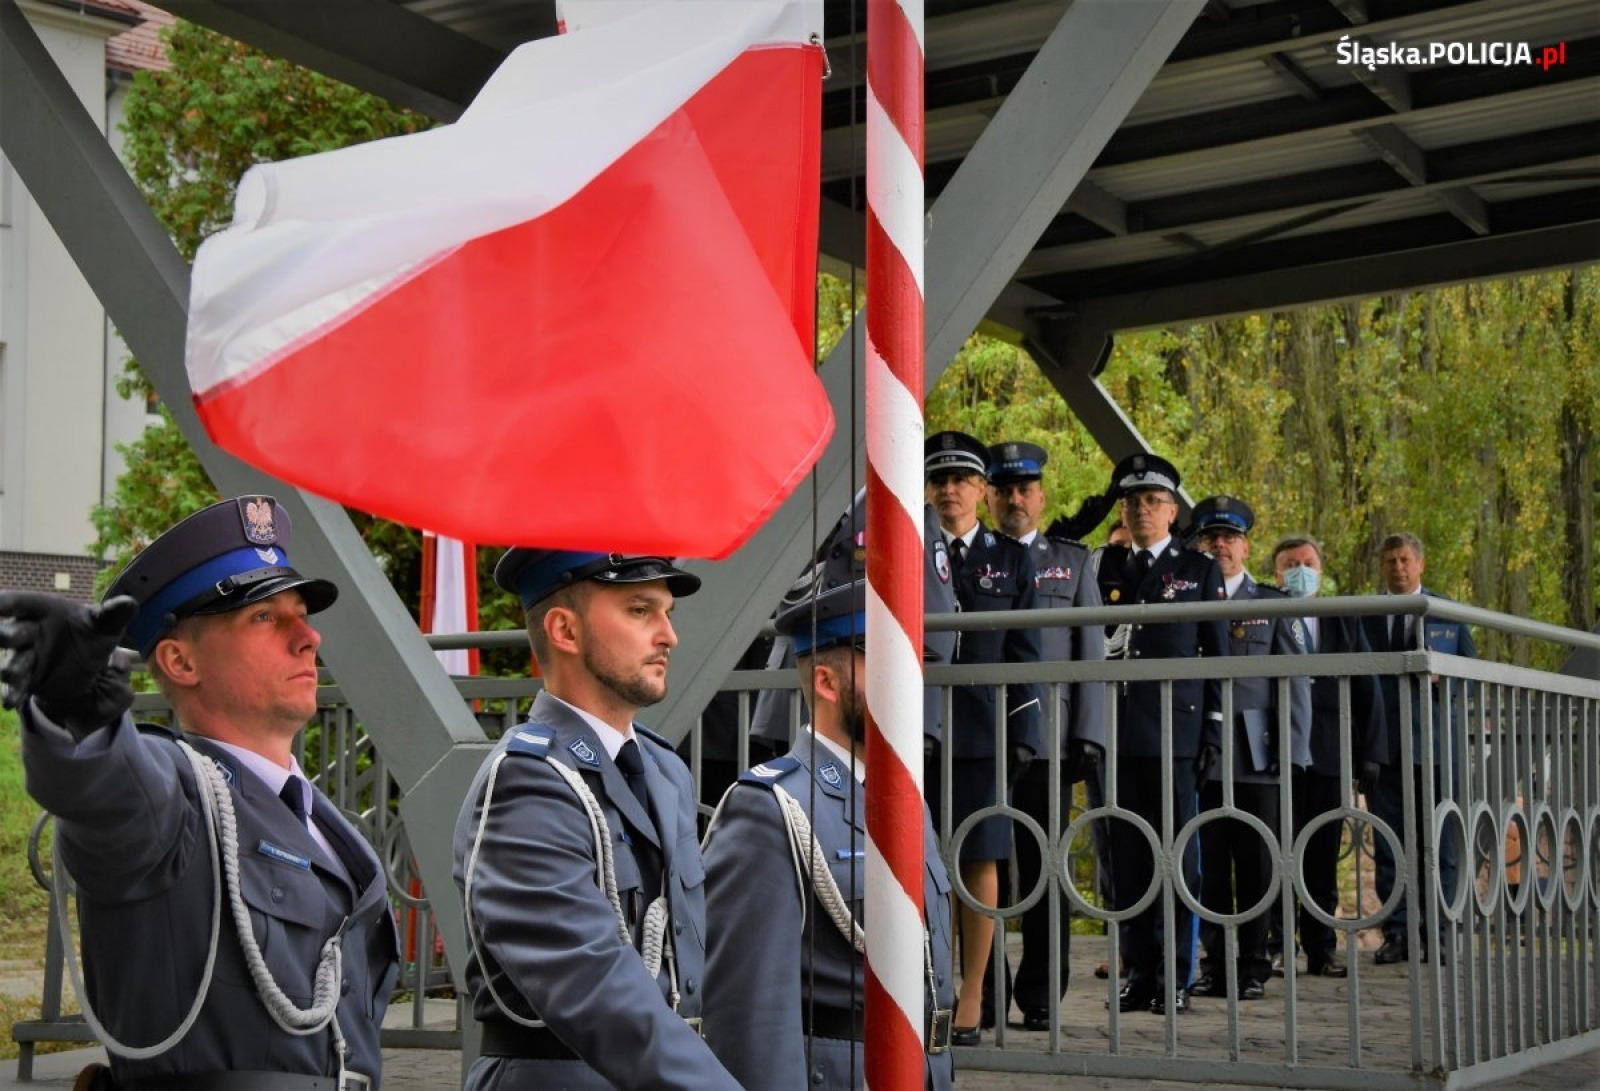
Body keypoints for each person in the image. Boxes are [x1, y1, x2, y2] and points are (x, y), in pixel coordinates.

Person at [0, 496, 399, 1091]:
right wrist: (74, 707)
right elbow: (111, 792)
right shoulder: (175, 795)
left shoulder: (333, 831)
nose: (308, 637)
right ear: (181, 661)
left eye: (301, 614)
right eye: (265, 618)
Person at [452, 550, 738, 1089]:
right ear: (564, 629)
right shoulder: (529, 780)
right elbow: (593, 982)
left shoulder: (664, 770)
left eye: (667, 612)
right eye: (639, 610)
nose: (668, 636)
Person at [701, 561, 955, 1089]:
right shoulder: (770, 808)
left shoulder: (908, 803)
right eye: (891, 664)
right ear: (827, 682)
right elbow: (748, 1020)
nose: (914, 683)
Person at [1093, 453, 1228, 1015]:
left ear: (1172, 511)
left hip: (1176, 733)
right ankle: (1140, 972)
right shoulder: (1104, 568)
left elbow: (1217, 656)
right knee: (1125, 859)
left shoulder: (1197, 571)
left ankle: (1175, 972)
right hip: (1116, 732)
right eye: (1133, 501)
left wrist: (1214, 731)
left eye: (1153, 501)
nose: (1142, 509)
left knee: (1175, 859)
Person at [924, 430, 1044, 1044]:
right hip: (912, 728)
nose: (949, 491)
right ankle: (925, 985)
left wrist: (1027, 729)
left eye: (961, 480)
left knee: (979, 860)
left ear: (981, 489)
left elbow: (1026, 651)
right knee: (916, 862)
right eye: (938, 480)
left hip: (981, 731)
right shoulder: (903, 541)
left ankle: (969, 995)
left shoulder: (1010, 557)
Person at [981, 440, 1106, 1031]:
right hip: (979, 740)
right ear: (990, 496)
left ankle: (1039, 996)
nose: (1014, 500)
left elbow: (1090, 651)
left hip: (1051, 743)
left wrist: (1089, 732)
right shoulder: (969, 559)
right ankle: (983, 991)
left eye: (1024, 490)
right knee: (979, 869)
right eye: (1003, 490)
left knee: (1045, 870)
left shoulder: (1072, 561)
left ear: (1041, 496)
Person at [1186, 497, 1311, 1002]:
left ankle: (1255, 964)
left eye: (1230, 538)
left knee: (1259, 867)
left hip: (1259, 755)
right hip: (1205, 756)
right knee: (1210, 867)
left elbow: (1296, 683)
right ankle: (1216, 964)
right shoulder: (1191, 601)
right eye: (1212, 538)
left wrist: (1293, 751)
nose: (1221, 546)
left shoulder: (1270, 604)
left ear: (1246, 546)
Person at [1359, 532, 1477, 966]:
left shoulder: (1445, 611)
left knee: (1440, 845)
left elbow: (1472, 672)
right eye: (1389, 561)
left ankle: (1440, 932)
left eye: (1405, 560)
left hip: (1437, 749)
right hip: (1386, 749)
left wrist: (1448, 677)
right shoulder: (1367, 615)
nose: (1398, 568)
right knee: (1390, 845)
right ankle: (1399, 932)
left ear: (1420, 564)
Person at [1271, 535, 1386, 977]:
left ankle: (1321, 948)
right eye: (1291, 563)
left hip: (1331, 755)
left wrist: (1370, 753)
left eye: (1308, 562)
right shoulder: (1266, 613)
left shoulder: (1343, 620)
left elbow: (1367, 688)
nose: (1301, 570)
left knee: (1320, 856)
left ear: (1321, 568)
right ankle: (1277, 946)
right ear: (1277, 572)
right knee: (1277, 853)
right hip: (1278, 756)